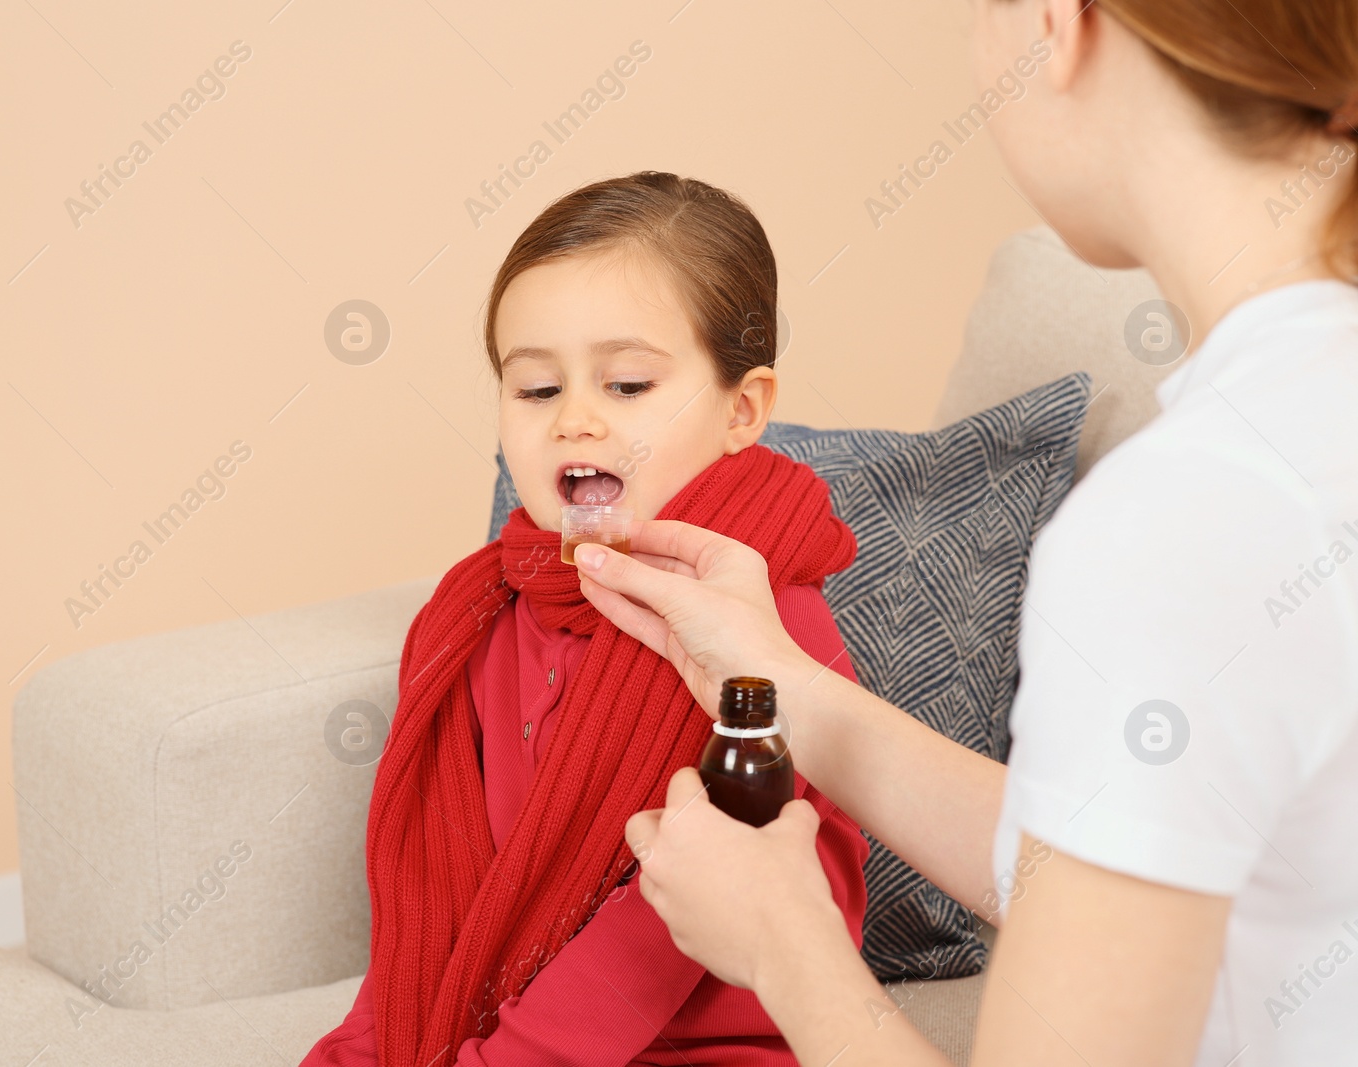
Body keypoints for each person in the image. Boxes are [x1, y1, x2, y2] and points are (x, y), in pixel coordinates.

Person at [574, 1, 1358, 1062]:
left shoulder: (1192, 512)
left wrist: (784, 942)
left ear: (1060, 23)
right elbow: (1155, 845)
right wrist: (780, 682)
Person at [301, 171, 871, 1067]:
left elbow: (658, 936)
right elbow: (426, 910)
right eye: (534, 389)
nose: (575, 419)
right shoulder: (475, 621)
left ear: (742, 408)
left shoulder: (766, 626)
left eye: (629, 384)